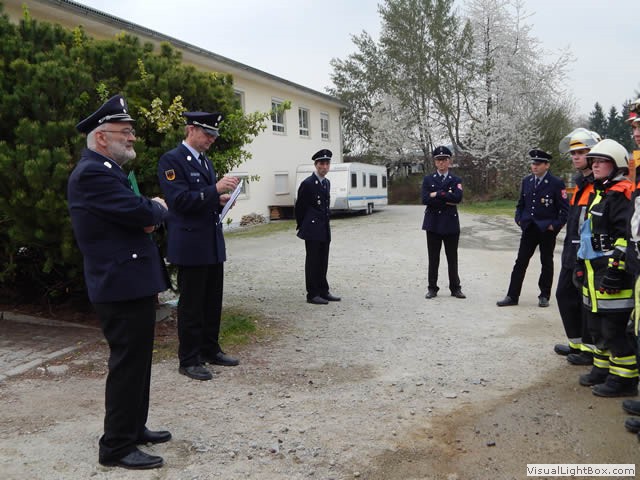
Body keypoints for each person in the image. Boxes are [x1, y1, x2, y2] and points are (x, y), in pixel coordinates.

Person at [67, 94, 171, 470]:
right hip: (119, 284)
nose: (131, 138)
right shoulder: (93, 173)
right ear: (101, 137)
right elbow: (140, 212)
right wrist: (156, 208)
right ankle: (115, 447)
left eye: (131, 131)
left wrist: (147, 214)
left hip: (129, 282)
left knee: (138, 362)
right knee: (127, 364)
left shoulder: (107, 170)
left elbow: (135, 217)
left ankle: (133, 428)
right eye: (124, 132)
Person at [157, 111, 240, 382]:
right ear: (191, 129)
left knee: (212, 301)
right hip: (190, 244)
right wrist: (214, 190)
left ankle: (210, 349)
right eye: (207, 134)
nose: (212, 139)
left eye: (214, 135)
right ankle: (189, 359)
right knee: (192, 305)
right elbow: (179, 201)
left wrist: (220, 200)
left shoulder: (205, 161)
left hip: (211, 242)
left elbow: (201, 199)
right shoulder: (172, 160)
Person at [573, 139, 637, 397]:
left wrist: (615, 270)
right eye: (594, 161)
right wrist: (580, 263)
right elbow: (587, 233)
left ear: (617, 165)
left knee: (613, 329)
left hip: (612, 273)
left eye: (602, 161)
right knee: (596, 325)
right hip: (593, 271)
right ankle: (602, 369)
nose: (595, 165)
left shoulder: (621, 193)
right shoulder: (599, 192)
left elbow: (624, 236)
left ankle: (624, 379)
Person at [497, 149, 569, 307]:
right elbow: (521, 204)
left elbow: (564, 210)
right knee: (520, 262)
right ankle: (512, 296)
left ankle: (544, 295)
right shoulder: (527, 181)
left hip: (546, 229)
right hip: (529, 228)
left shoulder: (556, 183)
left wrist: (555, 226)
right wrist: (519, 219)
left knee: (546, 262)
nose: (534, 166)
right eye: (533, 163)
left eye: (538, 164)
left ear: (546, 165)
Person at [553, 129, 599, 365]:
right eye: (573, 153)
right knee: (564, 295)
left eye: (581, 152)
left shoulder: (597, 185)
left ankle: (589, 351)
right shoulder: (580, 184)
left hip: (587, 255)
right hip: (571, 252)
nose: (576, 157)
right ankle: (576, 343)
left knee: (586, 301)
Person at [295, 149, 341, 305]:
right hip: (312, 229)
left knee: (323, 261)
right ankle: (312, 294)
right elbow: (300, 207)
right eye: (322, 163)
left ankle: (323, 291)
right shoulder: (308, 183)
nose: (325, 167)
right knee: (313, 262)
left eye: (327, 164)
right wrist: (304, 225)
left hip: (324, 228)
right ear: (316, 165)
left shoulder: (326, 183)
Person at [421, 145, 465, 299]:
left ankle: (455, 288)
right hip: (433, 224)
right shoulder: (428, 179)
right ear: (435, 162)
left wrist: (437, 194)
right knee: (433, 258)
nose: (441, 162)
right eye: (438, 160)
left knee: (452, 258)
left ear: (449, 161)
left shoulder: (456, 180)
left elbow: (458, 198)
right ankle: (432, 288)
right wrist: (446, 196)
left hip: (450, 224)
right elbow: (425, 199)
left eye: (444, 160)